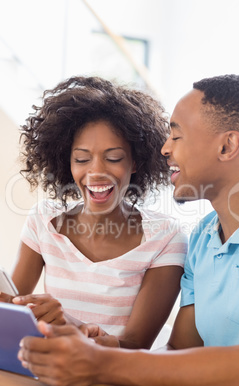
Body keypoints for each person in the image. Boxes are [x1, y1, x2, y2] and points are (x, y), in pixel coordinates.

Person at [18, 74, 239, 386]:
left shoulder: (170, 238)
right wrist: (106, 347)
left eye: (177, 136)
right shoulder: (204, 239)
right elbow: (178, 350)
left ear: (226, 146)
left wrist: (103, 363)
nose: (165, 149)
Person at [3, 76, 188, 349]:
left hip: (113, 384)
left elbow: (136, 345)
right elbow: (11, 310)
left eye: (113, 158)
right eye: (82, 159)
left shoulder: (165, 237)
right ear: (68, 163)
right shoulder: (44, 221)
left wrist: (70, 326)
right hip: (48, 372)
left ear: (135, 162)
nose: (96, 171)